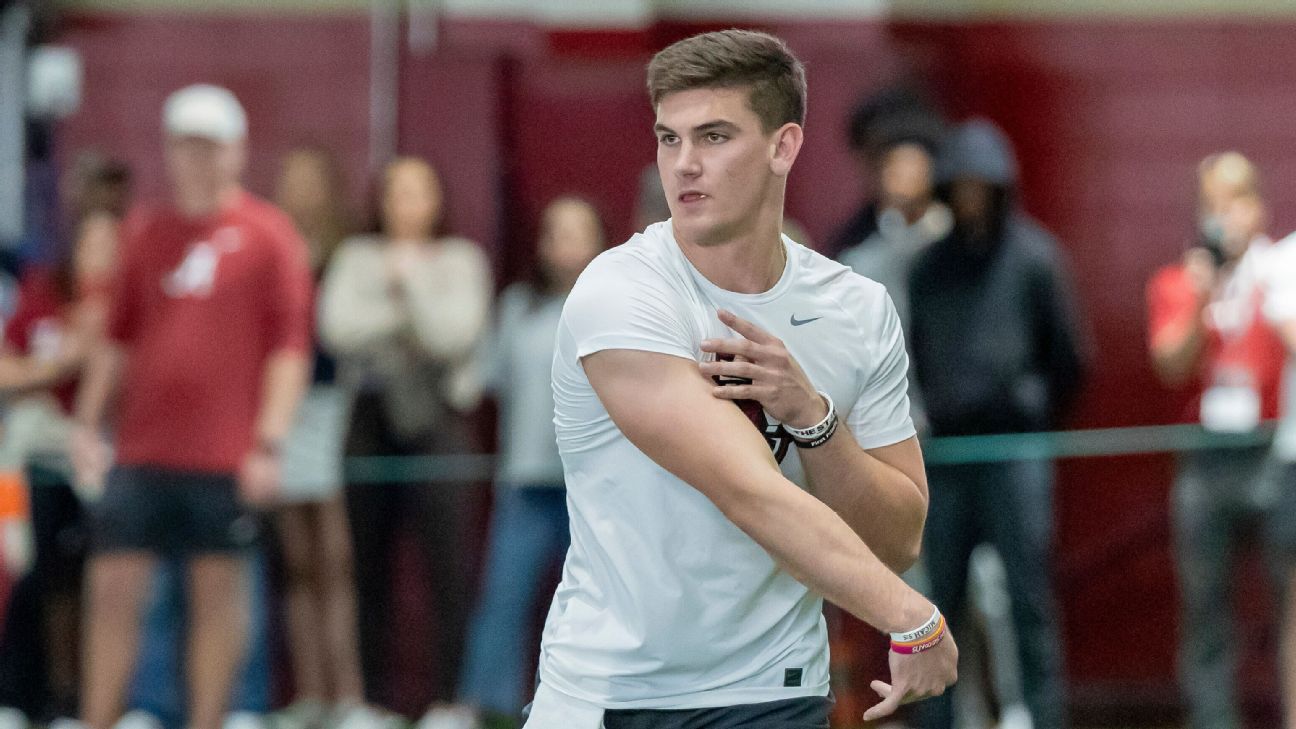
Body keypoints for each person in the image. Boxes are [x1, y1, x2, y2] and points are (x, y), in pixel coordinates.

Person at [523, 29, 957, 729]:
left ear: (783, 146)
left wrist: (813, 418)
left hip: (775, 690)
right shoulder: (619, 291)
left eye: (714, 136)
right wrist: (911, 614)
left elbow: (898, 539)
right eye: (669, 139)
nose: (684, 164)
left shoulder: (857, 308)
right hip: (613, 692)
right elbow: (747, 491)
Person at [70, 84, 313, 729]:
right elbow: (117, 338)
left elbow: (289, 349)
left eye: (209, 147)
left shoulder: (269, 236)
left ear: (237, 151)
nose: (197, 160)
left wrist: (269, 443)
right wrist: (87, 423)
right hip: (142, 448)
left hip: (225, 454)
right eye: (185, 146)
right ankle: (99, 718)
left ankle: (206, 721)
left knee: (218, 600)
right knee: (113, 590)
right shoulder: (145, 231)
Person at [908, 118, 1086, 729]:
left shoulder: (1035, 259)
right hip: (950, 456)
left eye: (980, 187)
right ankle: (936, 720)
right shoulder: (928, 268)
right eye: (960, 187)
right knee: (937, 608)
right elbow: (917, 354)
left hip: (1015, 452)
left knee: (1030, 600)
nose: (970, 198)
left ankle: (1045, 717)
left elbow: (1069, 359)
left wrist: (1033, 413)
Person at [420, 197, 606, 729]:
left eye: (578, 232)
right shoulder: (518, 307)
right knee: (502, 600)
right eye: (556, 232)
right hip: (524, 481)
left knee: (596, 604)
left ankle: (593, 710)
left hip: (590, 487)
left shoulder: (612, 304)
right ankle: (485, 707)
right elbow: (482, 379)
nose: (566, 244)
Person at [319, 156, 492, 717]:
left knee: (448, 566)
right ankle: (374, 703)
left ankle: (449, 700)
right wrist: (409, 322)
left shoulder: (461, 259)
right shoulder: (356, 256)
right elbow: (338, 329)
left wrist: (408, 287)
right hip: (369, 417)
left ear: (437, 200)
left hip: (439, 417)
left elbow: (454, 336)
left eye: (419, 191)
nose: (407, 203)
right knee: (367, 565)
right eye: (396, 191)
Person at [1146, 152, 1289, 729]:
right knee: (1205, 609)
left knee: (1290, 604)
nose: (1225, 215)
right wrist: (1203, 300)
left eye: (1236, 200)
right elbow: (1169, 365)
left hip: (1277, 454)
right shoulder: (1180, 282)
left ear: (1259, 207)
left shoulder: (1282, 274)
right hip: (1205, 460)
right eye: (1212, 203)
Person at [0, 152, 126, 729]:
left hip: (108, 452)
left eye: (111, 245)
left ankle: (98, 700)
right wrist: (57, 366)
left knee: (102, 578)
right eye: (91, 243)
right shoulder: (44, 291)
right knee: (34, 571)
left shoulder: (132, 303)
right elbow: (9, 369)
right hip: (36, 458)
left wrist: (94, 352)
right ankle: (36, 696)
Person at [269, 146, 373, 729]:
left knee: (336, 560)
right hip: (285, 406)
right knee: (298, 563)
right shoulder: (269, 246)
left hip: (335, 406)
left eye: (311, 180)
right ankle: (310, 691)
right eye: (292, 179)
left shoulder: (346, 252)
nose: (300, 191)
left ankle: (348, 692)